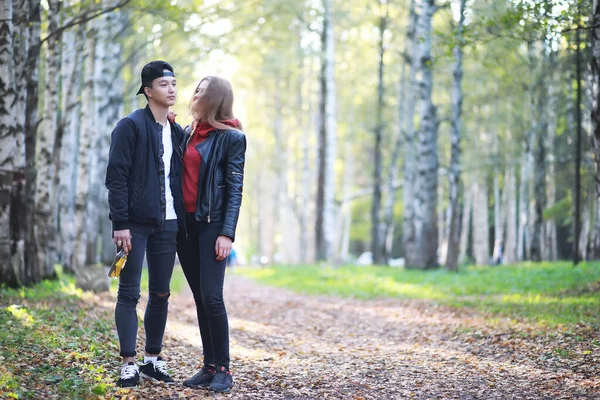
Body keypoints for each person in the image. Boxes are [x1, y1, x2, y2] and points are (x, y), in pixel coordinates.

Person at [105, 61, 186, 388]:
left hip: (168, 223)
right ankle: (128, 363)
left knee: (161, 293)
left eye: (175, 84)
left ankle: (152, 359)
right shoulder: (130, 126)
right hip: (133, 226)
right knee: (128, 293)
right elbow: (116, 177)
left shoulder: (176, 130)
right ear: (148, 90)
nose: (172, 89)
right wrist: (120, 223)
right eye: (165, 84)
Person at [176, 76, 246, 393]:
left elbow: (235, 189)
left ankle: (224, 369)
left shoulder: (231, 137)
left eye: (201, 90)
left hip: (212, 224)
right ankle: (208, 366)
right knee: (200, 300)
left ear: (215, 98)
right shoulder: (188, 133)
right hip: (185, 226)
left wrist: (227, 233)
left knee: (212, 297)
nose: (195, 93)